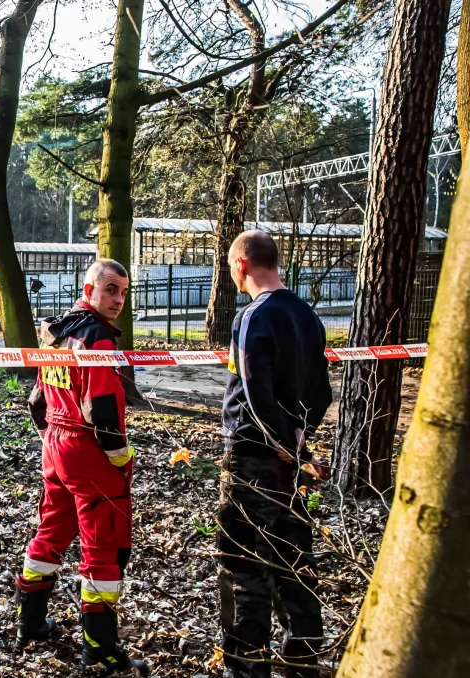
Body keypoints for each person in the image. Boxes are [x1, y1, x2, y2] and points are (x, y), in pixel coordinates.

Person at [19, 258, 149, 676]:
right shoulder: (98, 339)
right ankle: (99, 649)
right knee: (104, 545)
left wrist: (50, 438)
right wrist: (119, 454)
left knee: (51, 531)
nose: (119, 300)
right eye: (110, 289)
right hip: (88, 448)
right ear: (88, 289)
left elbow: (37, 400)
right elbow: (103, 407)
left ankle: (30, 623)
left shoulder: (58, 331)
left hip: (57, 446)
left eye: (123, 292)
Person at [214, 230, 332, 678]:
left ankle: (246, 668)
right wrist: (299, 443)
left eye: (230, 266)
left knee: (243, 564)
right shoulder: (308, 316)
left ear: (241, 264)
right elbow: (321, 394)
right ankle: (303, 661)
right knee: (295, 562)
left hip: (253, 457)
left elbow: (255, 392)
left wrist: (282, 443)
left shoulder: (253, 316)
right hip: (290, 464)